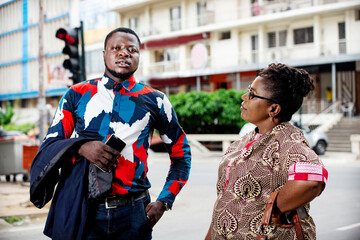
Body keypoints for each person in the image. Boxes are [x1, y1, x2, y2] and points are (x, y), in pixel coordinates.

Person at [30, 27, 191, 240]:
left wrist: (164, 202)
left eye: (131, 50)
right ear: (104, 54)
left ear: (139, 57)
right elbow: (50, 145)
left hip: (135, 214)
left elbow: (181, 156)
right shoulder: (76, 94)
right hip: (84, 209)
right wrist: (81, 146)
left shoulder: (157, 100)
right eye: (116, 48)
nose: (124, 53)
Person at [205, 63, 328, 239]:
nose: (244, 97)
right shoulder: (243, 141)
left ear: (274, 109)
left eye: (252, 95)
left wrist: (270, 209)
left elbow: (312, 180)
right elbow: (225, 199)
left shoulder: (289, 141)